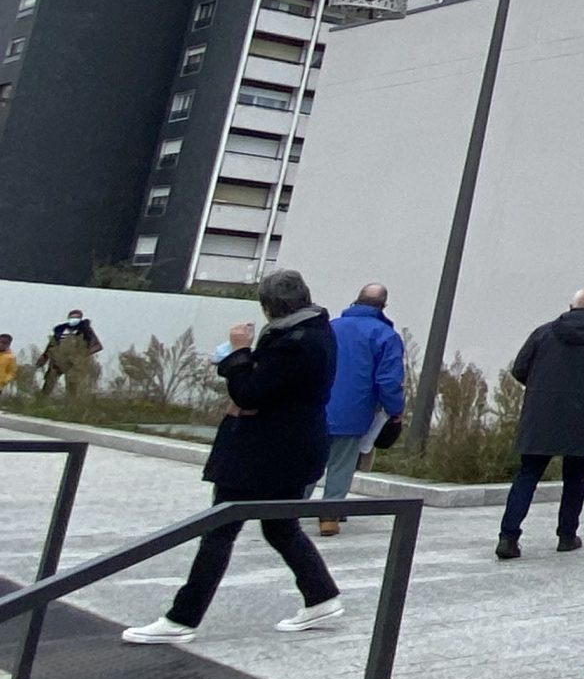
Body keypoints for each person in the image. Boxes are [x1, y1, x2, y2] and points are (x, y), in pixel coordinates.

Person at [122, 271, 343, 644]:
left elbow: (251, 393)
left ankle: (182, 618)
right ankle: (321, 596)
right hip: (294, 448)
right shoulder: (316, 330)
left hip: (264, 453)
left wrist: (239, 351)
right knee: (281, 527)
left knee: (219, 529)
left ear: (269, 306)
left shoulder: (294, 341)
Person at [497, 290, 584, 559]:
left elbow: (519, 369)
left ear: (570, 307)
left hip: (541, 415)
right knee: (575, 475)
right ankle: (566, 535)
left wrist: (542, 389)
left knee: (528, 474)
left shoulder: (543, 334)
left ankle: (508, 537)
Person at [319, 284, 405, 536]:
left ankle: (288, 511)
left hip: (318, 406)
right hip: (354, 411)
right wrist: (395, 409)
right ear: (383, 306)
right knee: (342, 464)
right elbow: (388, 381)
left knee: (309, 462)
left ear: (356, 301)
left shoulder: (331, 327)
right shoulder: (386, 336)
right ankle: (329, 516)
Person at [38, 310, 101, 397]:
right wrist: (44, 357)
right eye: (72, 317)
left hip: (73, 363)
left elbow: (97, 346)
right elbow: (51, 345)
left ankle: (71, 406)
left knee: (72, 386)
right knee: (48, 383)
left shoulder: (85, 330)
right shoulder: (60, 330)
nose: (73, 319)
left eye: (76, 317)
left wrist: (80, 356)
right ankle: (41, 402)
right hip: (57, 361)